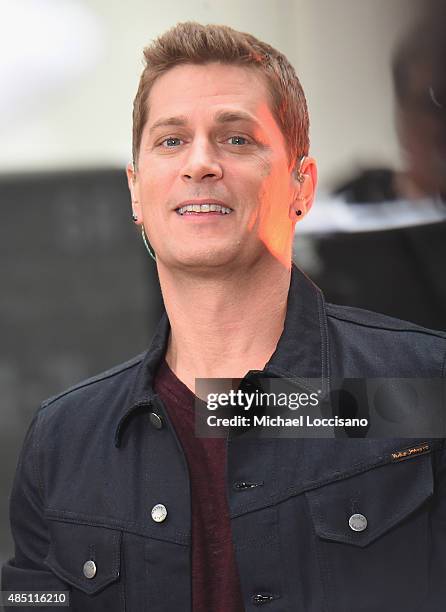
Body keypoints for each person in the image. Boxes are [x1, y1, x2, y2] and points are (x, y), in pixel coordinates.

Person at [2, 22, 446, 612]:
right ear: (135, 190)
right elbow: (30, 600)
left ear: (301, 185)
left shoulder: (420, 387)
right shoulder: (61, 442)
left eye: (237, 139)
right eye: (170, 141)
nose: (201, 163)